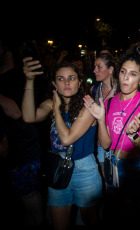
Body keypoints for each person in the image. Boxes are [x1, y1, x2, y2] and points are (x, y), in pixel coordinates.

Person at [83, 28, 140, 229]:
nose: (126, 78)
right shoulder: (108, 104)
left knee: (139, 218)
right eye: (123, 72)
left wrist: (133, 135)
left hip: (136, 168)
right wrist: (100, 119)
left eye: (133, 74)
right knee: (118, 217)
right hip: (114, 164)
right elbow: (106, 144)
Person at [22, 59, 102, 230]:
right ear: (54, 83)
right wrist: (29, 80)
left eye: (72, 78)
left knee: (90, 219)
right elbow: (29, 117)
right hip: (57, 169)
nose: (66, 82)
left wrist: (57, 110)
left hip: (84, 170)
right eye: (61, 78)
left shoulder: (88, 106)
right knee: (59, 224)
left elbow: (67, 139)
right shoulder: (52, 103)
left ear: (80, 82)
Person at [0, 39, 47, 227]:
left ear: (8, 52)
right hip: (10, 149)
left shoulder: (20, 77)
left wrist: (29, 80)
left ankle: (41, 222)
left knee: (27, 193)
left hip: (21, 149)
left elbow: (21, 114)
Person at [90, 53, 118, 176]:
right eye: (94, 67)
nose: (94, 70)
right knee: (106, 178)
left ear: (111, 69)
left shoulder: (122, 89)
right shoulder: (94, 90)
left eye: (99, 67)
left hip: (119, 142)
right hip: (101, 142)